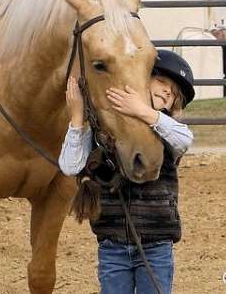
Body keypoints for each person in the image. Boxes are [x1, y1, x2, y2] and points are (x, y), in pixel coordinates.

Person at [59, 50, 195, 294]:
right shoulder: (102, 128)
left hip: (156, 246)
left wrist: (142, 110)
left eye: (174, 93)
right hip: (112, 245)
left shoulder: (166, 131)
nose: (167, 91)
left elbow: (185, 139)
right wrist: (77, 117)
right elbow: (70, 166)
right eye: (162, 82)